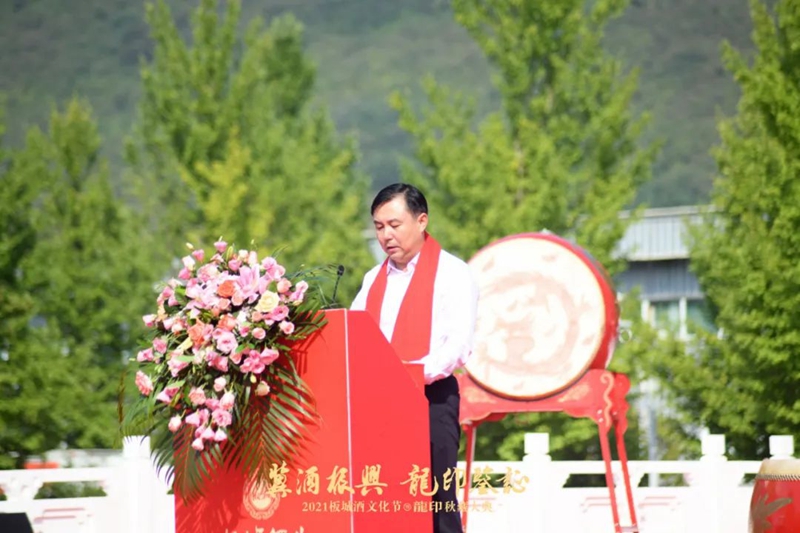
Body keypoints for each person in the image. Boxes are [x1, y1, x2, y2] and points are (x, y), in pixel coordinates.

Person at [350, 183, 479, 533]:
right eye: (379, 227)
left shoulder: (453, 273)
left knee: (437, 503)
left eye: (395, 224)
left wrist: (409, 374)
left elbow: (458, 344)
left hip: (430, 399)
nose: (386, 235)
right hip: (377, 403)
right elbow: (355, 337)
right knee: (381, 499)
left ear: (422, 221)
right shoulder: (373, 279)